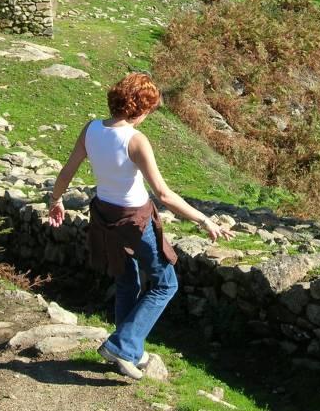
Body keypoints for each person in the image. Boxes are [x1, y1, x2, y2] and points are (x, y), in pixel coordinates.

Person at [46, 72, 234, 380]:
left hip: (103, 215)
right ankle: (123, 345)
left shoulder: (91, 129)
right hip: (135, 219)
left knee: (127, 282)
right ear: (140, 109)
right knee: (165, 283)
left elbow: (68, 169)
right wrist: (204, 219)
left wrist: (56, 200)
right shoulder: (135, 140)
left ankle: (128, 351)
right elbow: (162, 193)